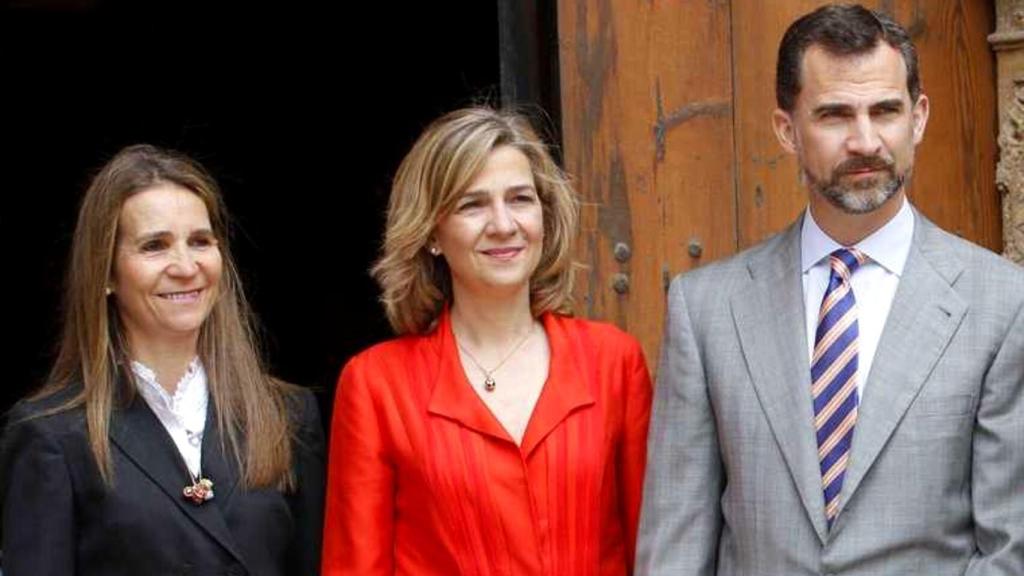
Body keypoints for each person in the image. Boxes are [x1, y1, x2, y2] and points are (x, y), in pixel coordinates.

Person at [636, 4, 1024, 575]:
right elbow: (676, 546)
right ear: (787, 129)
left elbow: (1009, 551)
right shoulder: (706, 310)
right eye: (835, 115)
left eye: (885, 111)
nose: (865, 141)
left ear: (917, 118)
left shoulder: (1003, 304)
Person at [322, 107, 652, 575]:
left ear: (544, 215)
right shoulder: (376, 385)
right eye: (472, 205)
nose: (503, 224)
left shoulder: (613, 362)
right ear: (432, 231)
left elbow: (657, 551)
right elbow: (355, 566)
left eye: (520, 199)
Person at [0, 144, 325, 576]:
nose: (185, 265)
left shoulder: (289, 416)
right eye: (155, 246)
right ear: (107, 274)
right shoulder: (49, 434)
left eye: (200, 241)